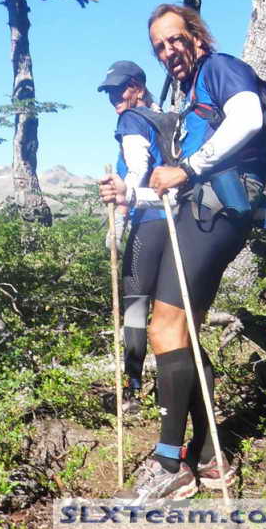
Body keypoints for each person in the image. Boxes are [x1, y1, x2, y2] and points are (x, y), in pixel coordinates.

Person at [100, 5, 266, 503]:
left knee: (163, 328)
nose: (168, 51)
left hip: (214, 212)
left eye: (174, 39)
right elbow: (172, 185)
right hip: (201, 210)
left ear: (195, 35)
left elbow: (249, 117)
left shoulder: (220, 68)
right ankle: (211, 456)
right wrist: (131, 195)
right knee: (184, 334)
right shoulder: (191, 93)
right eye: (159, 46)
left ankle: (168, 463)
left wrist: (190, 167)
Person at [98, 60, 168, 413]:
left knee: (136, 307)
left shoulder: (131, 119)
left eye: (119, 89)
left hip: (148, 221)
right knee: (171, 313)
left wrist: (120, 219)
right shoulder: (165, 118)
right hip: (176, 221)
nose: (114, 97)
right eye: (109, 92)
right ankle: (173, 393)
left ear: (137, 87)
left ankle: (132, 391)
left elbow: (137, 168)